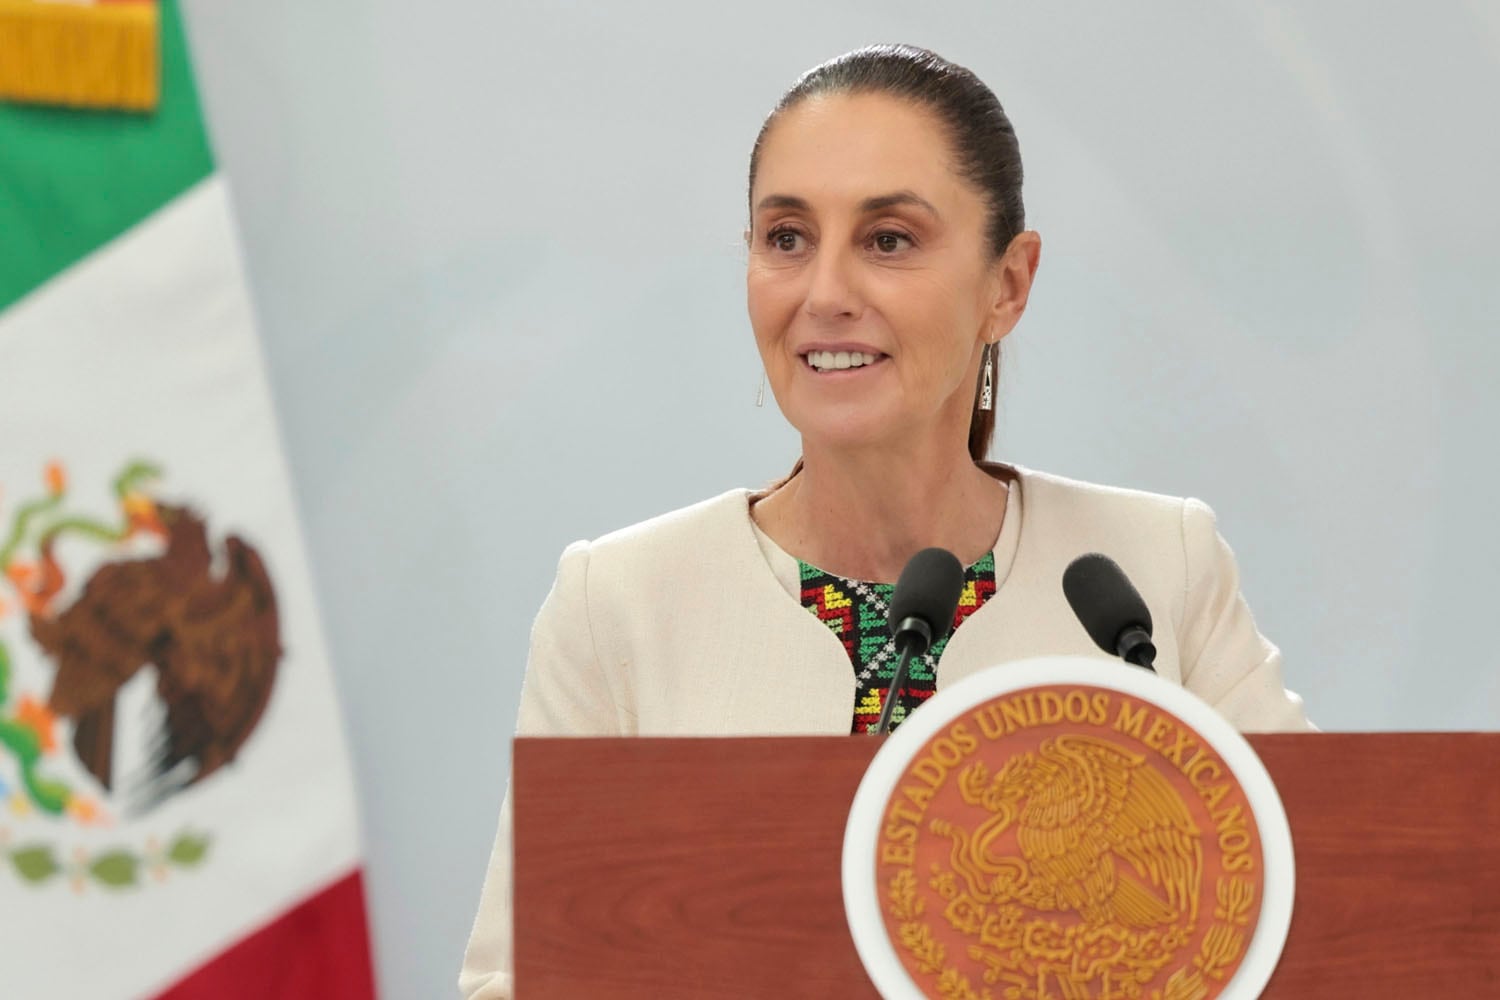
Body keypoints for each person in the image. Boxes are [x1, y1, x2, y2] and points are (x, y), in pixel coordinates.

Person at [458, 43, 1310, 999]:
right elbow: (514, 983)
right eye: (786, 238)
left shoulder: (1153, 576)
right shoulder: (619, 603)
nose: (824, 294)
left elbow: (1336, 916)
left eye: (888, 240)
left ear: (1009, 285)